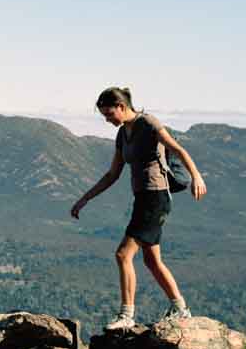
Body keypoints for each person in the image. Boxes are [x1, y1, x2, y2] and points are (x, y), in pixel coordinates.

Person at [71, 87, 208, 329]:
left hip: (155, 198)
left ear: (122, 107)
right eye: (104, 116)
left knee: (123, 254)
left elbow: (178, 149)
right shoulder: (123, 134)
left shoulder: (148, 123)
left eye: (109, 114)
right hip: (144, 199)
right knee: (152, 261)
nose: (108, 120)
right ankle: (180, 308)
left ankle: (126, 316)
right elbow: (112, 174)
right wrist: (84, 199)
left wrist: (196, 176)